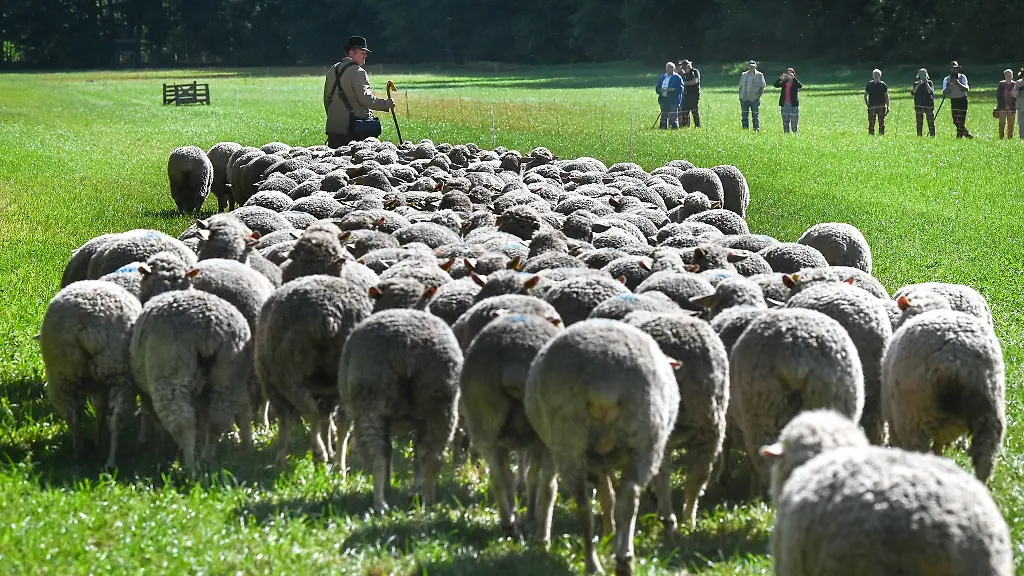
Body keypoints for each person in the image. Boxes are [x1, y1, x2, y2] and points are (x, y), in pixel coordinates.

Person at [323, 35, 395, 148]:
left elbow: (327, 100)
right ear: (351, 53)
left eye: (366, 53)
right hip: (353, 129)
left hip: (334, 128)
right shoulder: (358, 72)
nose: (365, 55)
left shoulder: (333, 69)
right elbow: (366, 99)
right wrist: (386, 104)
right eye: (362, 52)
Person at [941, 60, 973, 139]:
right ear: (950, 69)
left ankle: (959, 137)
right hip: (954, 100)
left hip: (962, 100)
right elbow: (944, 92)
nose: (954, 70)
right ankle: (966, 134)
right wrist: (950, 86)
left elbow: (966, 89)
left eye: (955, 68)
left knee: (961, 120)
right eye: (952, 69)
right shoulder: (946, 79)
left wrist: (957, 83)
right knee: (955, 121)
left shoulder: (962, 77)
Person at [738, 59, 766, 131]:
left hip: (754, 98)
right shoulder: (743, 75)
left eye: (753, 66)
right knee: (744, 115)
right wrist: (740, 97)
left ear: (755, 67)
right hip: (744, 98)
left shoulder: (760, 75)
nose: (751, 68)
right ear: (748, 67)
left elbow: (762, 87)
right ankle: (745, 129)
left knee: (755, 115)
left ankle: (756, 129)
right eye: (750, 66)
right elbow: (740, 87)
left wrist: (758, 96)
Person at [656, 61, 683, 129]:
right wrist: (660, 90)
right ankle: (663, 128)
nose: (668, 69)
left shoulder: (677, 77)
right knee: (664, 116)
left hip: (673, 100)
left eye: (670, 67)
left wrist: (672, 89)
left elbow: (681, 89)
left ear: (673, 69)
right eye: (667, 67)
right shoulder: (663, 77)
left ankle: (674, 130)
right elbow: (657, 88)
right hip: (663, 99)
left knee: (673, 117)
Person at [774, 67, 802, 133]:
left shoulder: (795, 82)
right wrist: (781, 78)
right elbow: (775, 85)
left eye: (791, 73)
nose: (789, 74)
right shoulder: (784, 82)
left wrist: (793, 78)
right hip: (784, 103)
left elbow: (800, 86)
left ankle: (795, 132)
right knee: (785, 120)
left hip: (793, 104)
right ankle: (786, 133)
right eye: (788, 73)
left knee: (794, 120)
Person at [864, 69, 890, 136]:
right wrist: (867, 103)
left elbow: (886, 96)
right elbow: (865, 95)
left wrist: (888, 106)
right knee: (871, 122)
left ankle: (881, 135)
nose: (876, 76)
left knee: (881, 122)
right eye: (874, 74)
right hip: (872, 106)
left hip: (881, 106)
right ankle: (871, 135)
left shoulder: (883, 85)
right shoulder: (869, 85)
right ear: (872, 75)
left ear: (880, 75)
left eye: (877, 75)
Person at [911, 68, 936, 137]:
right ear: (918, 75)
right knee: (919, 122)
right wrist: (918, 84)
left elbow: (930, 92)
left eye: (924, 74)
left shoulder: (930, 83)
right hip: (919, 104)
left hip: (928, 104)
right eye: (921, 74)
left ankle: (932, 135)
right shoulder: (916, 83)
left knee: (931, 121)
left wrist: (926, 83)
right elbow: (913, 92)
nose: (922, 75)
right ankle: (919, 135)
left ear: (926, 75)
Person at [679, 60, 702, 127]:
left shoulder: (695, 72)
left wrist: (685, 83)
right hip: (686, 94)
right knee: (684, 110)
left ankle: (697, 125)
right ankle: (685, 125)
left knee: (694, 110)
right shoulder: (684, 75)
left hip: (694, 94)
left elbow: (695, 81)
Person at [996, 69, 1016, 140]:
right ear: (1005, 76)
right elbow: (998, 97)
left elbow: (1016, 97)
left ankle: (1010, 138)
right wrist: (1005, 106)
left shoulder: (1015, 84)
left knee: (1011, 124)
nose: (1009, 76)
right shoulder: (1001, 84)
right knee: (1002, 123)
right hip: (1002, 107)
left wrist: (1011, 107)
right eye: (1008, 75)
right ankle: (1001, 137)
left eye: (1010, 75)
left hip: (1012, 108)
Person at [1014, 66, 1024, 140]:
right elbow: (1013, 94)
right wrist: (1019, 90)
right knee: (1021, 123)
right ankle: (1022, 137)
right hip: (1021, 106)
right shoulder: (1018, 83)